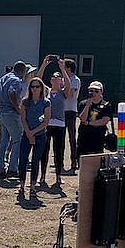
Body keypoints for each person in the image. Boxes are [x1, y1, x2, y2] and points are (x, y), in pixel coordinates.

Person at [0, 60, 29, 180]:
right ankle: (13, 168)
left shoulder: (4, 77)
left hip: (1, 112)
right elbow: (12, 93)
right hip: (11, 113)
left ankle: (0, 168)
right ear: (22, 71)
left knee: (3, 141)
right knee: (17, 140)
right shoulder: (16, 80)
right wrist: (17, 107)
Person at [17, 76, 50, 197]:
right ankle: (21, 185)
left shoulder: (46, 102)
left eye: (37, 86)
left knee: (36, 160)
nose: (35, 89)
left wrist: (34, 132)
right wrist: (28, 133)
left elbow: (46, 121)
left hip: (40, 135)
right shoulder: (25, 102)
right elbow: (23, 118)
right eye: (33, 86)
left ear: (41, 88)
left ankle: (32, 186)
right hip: (26, 134)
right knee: (23, 160)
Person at [42, 55, 72, 186]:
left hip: (59, 124)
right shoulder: (46, 91)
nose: (56, 78)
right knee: (44, 150)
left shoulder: (62, 93)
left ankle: (58, 176)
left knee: (58, 150)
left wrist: (62, 68)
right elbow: (37, 79)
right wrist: (44, 64)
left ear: (61, 80)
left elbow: (69, 85)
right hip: (47, 124)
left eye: (58, 77)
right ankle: (42, 176)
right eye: (53, 77)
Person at [76, 81, 114, 157]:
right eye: (91, 91)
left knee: (97, 159)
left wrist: (90, 123)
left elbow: (104, 120)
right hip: (84, 137)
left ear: (101, 92)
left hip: (98, 137)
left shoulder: (106, 105)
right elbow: (82, 119)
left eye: (96, 91)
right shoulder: (83, 103)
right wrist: (87, 106)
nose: (93, 93)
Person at [61, 57, 82, 171]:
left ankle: (74, 160)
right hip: (62, 111)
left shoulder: (75, 80)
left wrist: (63, 90)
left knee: (72, 137)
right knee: (61, 137)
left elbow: (68, 94)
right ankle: (60, 161)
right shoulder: (64, 80)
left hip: (71, 111)